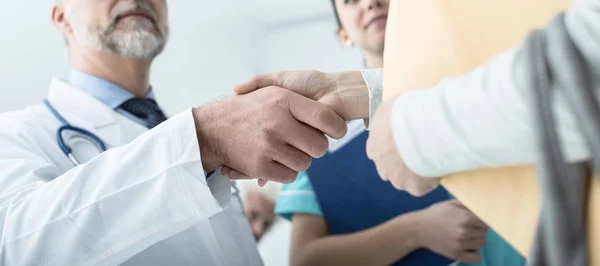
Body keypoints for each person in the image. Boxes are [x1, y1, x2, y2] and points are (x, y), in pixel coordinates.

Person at [0, 0, 349, 265]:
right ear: (62, 18)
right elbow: (17, 247)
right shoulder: (17, 133)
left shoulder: (175, 130)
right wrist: (203, 138)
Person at [266, 0, 520, 265]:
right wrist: (417, 230)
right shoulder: (319, 140)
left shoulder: (488, 76)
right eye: (351, 0)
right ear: (343, 34)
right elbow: (306, 260)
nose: (370, 3)